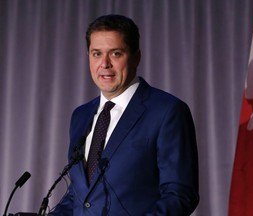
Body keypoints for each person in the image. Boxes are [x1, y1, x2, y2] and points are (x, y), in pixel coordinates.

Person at [49, 14, 199, 216]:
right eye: (96, 54)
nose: (104, 64)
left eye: (116, 53)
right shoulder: (81, 115)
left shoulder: (167, 111)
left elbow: (179, 195)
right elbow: (80, 195)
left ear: (136, 56)